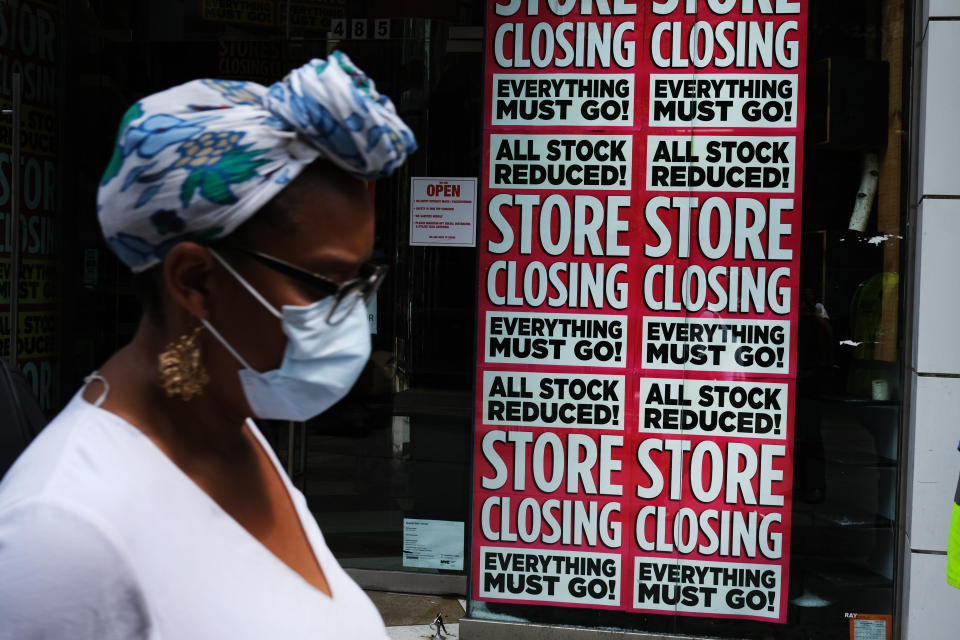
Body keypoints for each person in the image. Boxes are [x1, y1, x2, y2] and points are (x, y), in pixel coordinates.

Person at [0, 52, 416, 639]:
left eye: (361, 280)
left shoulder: (236, 433)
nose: (348, 311)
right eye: (325, 283)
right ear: (194, 280)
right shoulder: (62, 532)